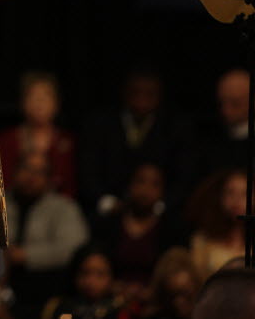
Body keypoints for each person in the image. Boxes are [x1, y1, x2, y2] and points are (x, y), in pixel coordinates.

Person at [79, 67, 197, 218]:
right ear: (124, 93)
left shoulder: (176, 127)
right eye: (135, 93)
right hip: (107, 213)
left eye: (149, 94)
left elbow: (184, 177)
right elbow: (88, 171)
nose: (141, 101)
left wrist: (159, 206)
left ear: (159, 96)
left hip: (162, 216)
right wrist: (108, 203)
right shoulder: (99, 124)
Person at [5, 150, 89, 319]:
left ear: (49, 178)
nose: (31, 177)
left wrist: (25, 255)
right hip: (1, 285)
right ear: (14, 171)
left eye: (39, 172)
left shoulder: (64, 207)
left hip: (46, 290)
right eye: (26, 168)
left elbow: (73, 248)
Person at [91, 163, 186, 297]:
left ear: (163, 191)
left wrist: (152, 292)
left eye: (155, 184)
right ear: (129, 185)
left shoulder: (171, 228)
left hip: (157, 299)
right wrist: (112, 286)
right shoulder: (109, 224)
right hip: (110, 297)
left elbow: (174, 270)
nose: (146, 190)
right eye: (140, 181)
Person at [0, 71, 76, 198]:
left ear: (56, 103)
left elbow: (70, 187)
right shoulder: (7, 140)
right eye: (33, 96)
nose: (39, 102)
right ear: (22, 102)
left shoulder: (67, 142)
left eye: (45, 96)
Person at [185, 168, 248, 280]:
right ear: (219, 196)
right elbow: (195, 281)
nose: (237, 200)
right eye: (230, 192)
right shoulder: (203, 240)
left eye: (245, 194)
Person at [40, 244, 124, 319]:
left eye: (100, 274)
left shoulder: (122, 310)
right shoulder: (59, 308)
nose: (90, 281)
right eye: (84, 273)